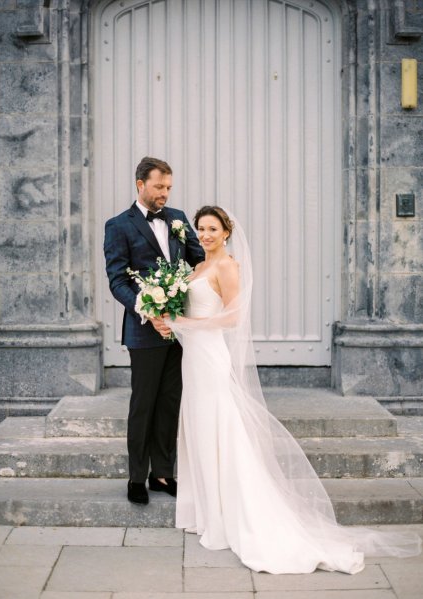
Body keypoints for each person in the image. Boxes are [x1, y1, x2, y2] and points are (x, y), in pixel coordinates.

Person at [167, 205, 421, 574]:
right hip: (193, 360)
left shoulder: (226, 266)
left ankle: (234, 517)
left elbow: (235, 316)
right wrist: (170, 320)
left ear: (226, 232)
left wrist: (185, 321)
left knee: (221, 430)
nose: (205, 234)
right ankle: (210, 514)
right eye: (201, 228)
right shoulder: (198, 267)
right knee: (201, 432)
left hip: (211, 359)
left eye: (212, 229)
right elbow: (188, 312)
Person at [103, 157, 204, 505]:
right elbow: (117, 281)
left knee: (169, 402)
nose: (165, 193)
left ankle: (163, 473)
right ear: (140, 184)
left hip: (179, 330)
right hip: (145, 332)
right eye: (159, 187)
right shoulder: (118, 225)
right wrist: (148, 308)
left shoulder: (177, 218)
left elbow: (198, 259)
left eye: (169, 188)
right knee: (143, 404)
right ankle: (136, 478)